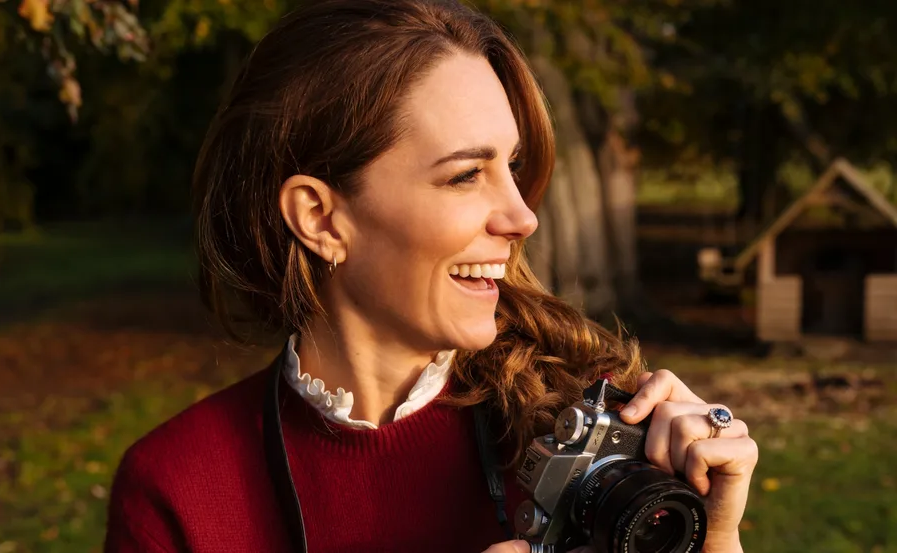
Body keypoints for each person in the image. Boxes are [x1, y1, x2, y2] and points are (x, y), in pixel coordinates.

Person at [104, 1, 758, 552]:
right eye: (466, 175)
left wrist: (717, 536)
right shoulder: (177, 491)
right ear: (320, 217)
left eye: (513, 164)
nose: (523, 215)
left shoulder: (589, 439)